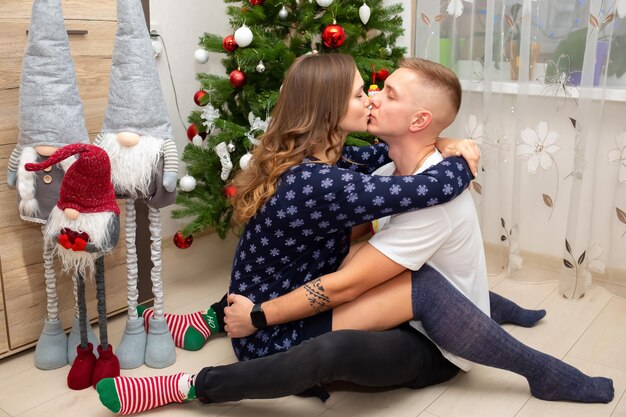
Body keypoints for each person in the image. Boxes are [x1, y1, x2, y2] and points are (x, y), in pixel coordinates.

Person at [96, 56, 612, 415]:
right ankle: (184, 385)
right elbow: (415, 191)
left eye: (381, 91)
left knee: (395, 270)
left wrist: (447, 139)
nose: (369, 96)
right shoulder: (325, 180)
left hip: (277, 294)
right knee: (418, 282)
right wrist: (461, 161)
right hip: (271, 328)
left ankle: (207, 318)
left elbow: (387, 157)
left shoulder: (334, 154)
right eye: (360, 92)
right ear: (327, 112)